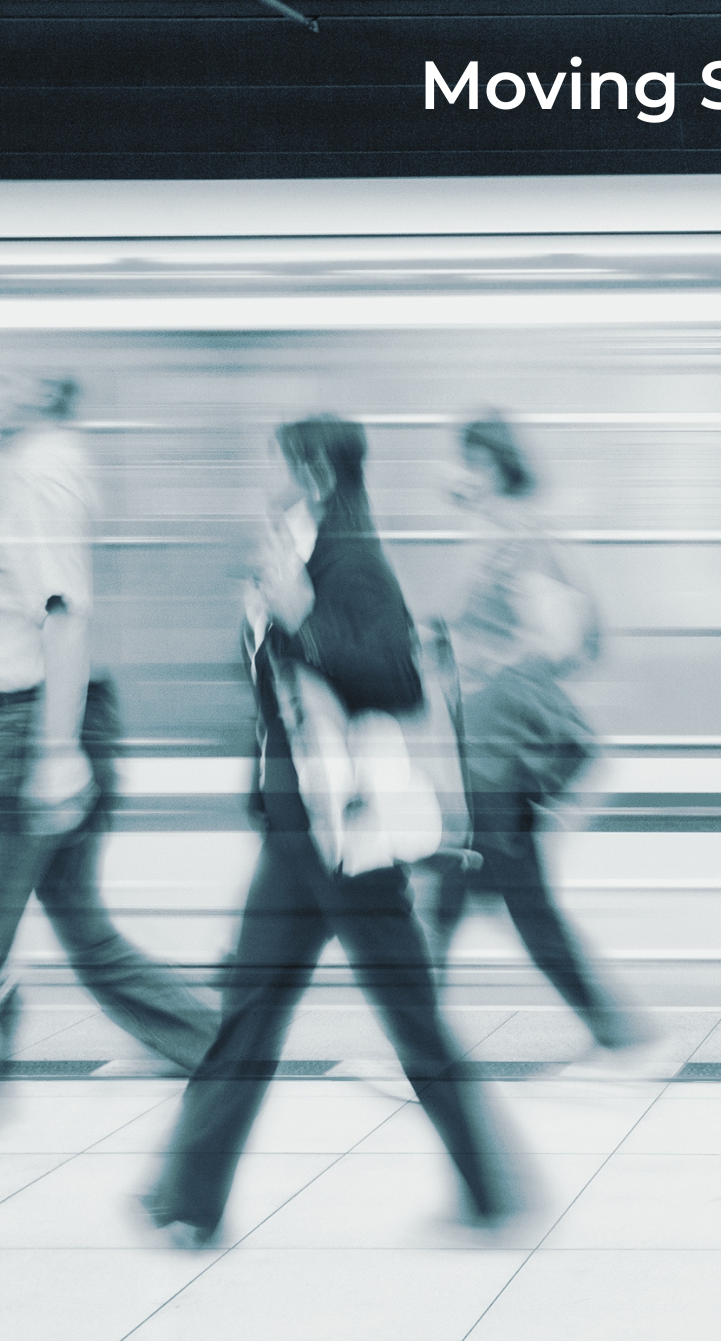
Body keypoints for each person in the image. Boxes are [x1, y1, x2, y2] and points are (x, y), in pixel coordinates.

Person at [146, 415, 514, 1245]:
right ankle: (187, 1198)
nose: (264, 476)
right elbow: (276, 699)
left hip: (350, 837)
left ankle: (491, 1185)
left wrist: (303, 617)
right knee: (250, 1011)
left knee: (409, 1018)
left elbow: (394, 679)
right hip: (297, 828)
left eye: (276, 461)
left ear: (311, 469)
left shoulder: (351, 562)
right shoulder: (291, 557)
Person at [0, 372, 218, 1081]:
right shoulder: (37, 466)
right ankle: (217, 1048)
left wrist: (54, 752)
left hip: (32, 719)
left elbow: (64, 613)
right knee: (83, 926)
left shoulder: (35, 474)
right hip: (45, 717)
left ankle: (221, 1049)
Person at [421, 412, 639, 1059]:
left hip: (501, 757)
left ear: (486, 467)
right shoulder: (493, 538)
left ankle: (622, 1038)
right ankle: (422, 1037)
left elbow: (556, 642)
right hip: (484, 753)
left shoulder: (520, 541)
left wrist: (482, 659)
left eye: (462, 461)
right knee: (459, 897)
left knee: (509, 905)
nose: (453, 474)